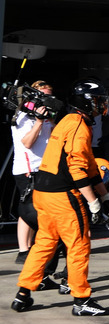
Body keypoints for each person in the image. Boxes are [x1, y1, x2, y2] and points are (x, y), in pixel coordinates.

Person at [11, 78, 109, 316]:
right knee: (79, 246)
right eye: (99, 101)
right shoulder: (79, 126)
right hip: (62, 196)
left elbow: (89, 165)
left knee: (44, 244)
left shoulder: (68, 120)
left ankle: (23, 294)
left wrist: (106, 198)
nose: (102, 105)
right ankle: (82, 301)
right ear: (89, 102)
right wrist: (94, 203)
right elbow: (78, 170)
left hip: (43, 193)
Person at [10, 80, 55, 265]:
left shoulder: (46, 116)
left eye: (50, 95)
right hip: (27, 170)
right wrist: (38, 122)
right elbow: (27, 143)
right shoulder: (23, 117)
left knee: (39, 209)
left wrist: (49, 121)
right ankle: (23, 250)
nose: (48, 99)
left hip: (43, 168)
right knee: (28, 210)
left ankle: (33, 247)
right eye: (44, 95)